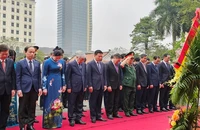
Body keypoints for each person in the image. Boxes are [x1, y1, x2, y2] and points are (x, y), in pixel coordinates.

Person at [16, 46, 42, 130]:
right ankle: (22, 125)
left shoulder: (37, 63)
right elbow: (18, 77)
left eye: (33, 52)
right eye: (30, 52)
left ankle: (30, 124)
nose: (32, 54)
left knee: (32, 107)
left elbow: (38, 76)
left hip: (34, 88)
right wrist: (19, 89)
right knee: (23, 107)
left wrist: (40, 87)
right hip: (24, 88)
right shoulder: (20, 63)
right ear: (25, 52)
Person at [42, 49, 66, 129]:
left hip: (59, 82)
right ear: (53, 55)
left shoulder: (62, 62)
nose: (57, 59)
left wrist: (64, 85)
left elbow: (63, 74)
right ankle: (48, 123)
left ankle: (57, 122)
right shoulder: (47, 62)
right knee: (49, 101)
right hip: (50, 82)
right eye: (56, 57)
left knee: (58, 101)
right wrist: (44, 87)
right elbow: (44, 75)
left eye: (59, 58)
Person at [65, 51, 87, 126]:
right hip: (73, 87)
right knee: (72, 104)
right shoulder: (71, 64)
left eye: (83, 59)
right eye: (81, 59)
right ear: (77, 57)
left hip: (81, 87)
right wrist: (69, 87)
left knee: (80, 103)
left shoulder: (84, 64)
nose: (82, 61)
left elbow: (84, 75)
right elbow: (67, 77)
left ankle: (78, 118)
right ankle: (72, 119)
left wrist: (85, 86)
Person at [87, 50, 107, 123]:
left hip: (101, 85)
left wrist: (105, 84)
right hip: (94, 86)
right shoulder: (90, 64)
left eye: (101, 56)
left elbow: (104, 75)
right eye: (99, 56)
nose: (100, 57)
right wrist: (90, 85)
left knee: (99, 102)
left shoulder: (103, 64)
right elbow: (88, 76)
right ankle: (93, 116)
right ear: (95, 55)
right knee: (93, 102)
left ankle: (99, 115)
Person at [0, 45, 16, 130]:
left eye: (7, 54)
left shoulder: (10, 62)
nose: (5, 56)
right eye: (3, 54)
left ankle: (2, 127)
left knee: (5, 110)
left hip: (7, 90)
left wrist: (13, 88)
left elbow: (13, 76)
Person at [106, 53, 123, 120]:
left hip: (117, 85)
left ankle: (115, 113)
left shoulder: (118, 65)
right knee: (110, 100)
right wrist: (108, 85)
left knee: (116, 100)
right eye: (118, 60)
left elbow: (119, 75)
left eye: (119, 60)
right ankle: (109, 113)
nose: (118, 62)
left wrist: (120, 84)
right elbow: (106, 76)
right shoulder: (108, 65)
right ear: (114, 58)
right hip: (111, 85)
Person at [120, 52, 137, 117]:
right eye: (131, 59)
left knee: (132, 99)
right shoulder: (125, 66)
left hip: (133, 84)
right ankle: (126, 111)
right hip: (127, 85)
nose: (132, 60)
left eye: (132, 59)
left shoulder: (132, 67)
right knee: (126, 99)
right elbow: (121, 65)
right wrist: (127, 58)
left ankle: (131, 110)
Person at [7, 49, 18, 127]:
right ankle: (12, 120)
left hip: (9, 86)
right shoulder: (15, 64)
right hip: (13, 87)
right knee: (12, 104)